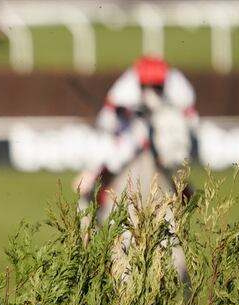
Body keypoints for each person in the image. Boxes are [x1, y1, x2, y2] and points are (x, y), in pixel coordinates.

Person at [78, 55, 199, 211]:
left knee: (172, 154)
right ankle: (94, 191)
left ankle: (182, 191)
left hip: (164, 126)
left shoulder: (178, 85)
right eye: (147, 86)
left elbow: (190, 119)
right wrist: (123, 114)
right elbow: (106, 120)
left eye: (156, 86)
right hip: (132, 126)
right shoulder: (126, 86)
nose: (152, 91)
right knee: (116, 153)